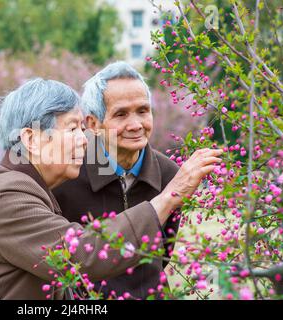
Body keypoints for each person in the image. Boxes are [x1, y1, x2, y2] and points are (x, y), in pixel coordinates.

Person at [0, 78, 221, 300]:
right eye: (72, 129)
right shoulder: (7, 196)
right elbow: (85, 254)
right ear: (32, 139)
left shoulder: (24, 184)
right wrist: (170, 197)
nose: (84, 141)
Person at [53, 61, 223, 299]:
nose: (135, 125)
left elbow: (164, 253)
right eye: (121, 114)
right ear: (93, 124)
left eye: (143, 111)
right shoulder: (67, 174)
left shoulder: (169, 174)